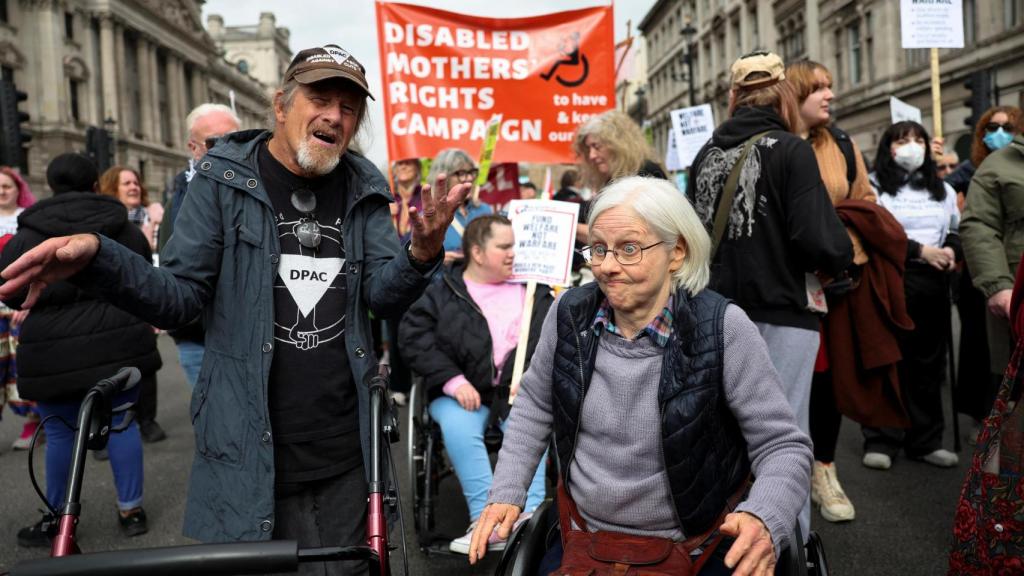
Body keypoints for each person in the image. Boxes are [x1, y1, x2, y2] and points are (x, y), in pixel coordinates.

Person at [0, 44, 467, 576]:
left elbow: (382, 297)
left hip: (347, 452)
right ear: (280, 104)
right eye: (321, 97)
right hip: (250, 447)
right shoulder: (222, 181)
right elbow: (178, 299)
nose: (335, 116)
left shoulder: (364, 189)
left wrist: (420, 254)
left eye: (349, 106)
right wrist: (100, 257)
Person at [468, 177, 812, 576]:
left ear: (676, 252)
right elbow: (534, 407)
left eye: (629, 249)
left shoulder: (723, 328)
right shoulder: (568, 315)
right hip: (584, 538)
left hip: (699, 545)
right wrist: (507, 491)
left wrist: (765, 515)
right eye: (599, 249)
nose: (608, 266)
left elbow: (783, 446)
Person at [689, 51, 852, 541]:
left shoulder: (704, 155)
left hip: (713, 316)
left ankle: (721, 541)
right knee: (783, 438)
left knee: (724, 435)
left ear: (734, 98)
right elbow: (819, 239)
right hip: (780, 314)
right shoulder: (791, 150)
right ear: (782, 94)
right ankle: (784, 546)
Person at [5, 153, 160, 547]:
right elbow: (145, 278)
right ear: (96, 185)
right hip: (118, 340)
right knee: (122, 423)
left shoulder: (29, 232)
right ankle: (131, 510)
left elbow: (12, 288)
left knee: (58, 433)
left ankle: (58, 519)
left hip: (51, 347)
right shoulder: (123, 228)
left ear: (50, 186)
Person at [401, 214, 549, 554]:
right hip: (461, 392)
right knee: (459, 423)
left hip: (519, 394)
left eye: (516, 245)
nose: (514, 253)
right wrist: (452, 381)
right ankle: (486, 520)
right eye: (505, 246)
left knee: (532, 425)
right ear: (479, 253)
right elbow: (413, 338)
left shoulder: (535, 293)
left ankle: (533, 518)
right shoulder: (442, 291)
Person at [786, 60, 876, 524]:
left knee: (827, 384)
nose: (830, 96)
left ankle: (824, 471)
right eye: (818, 88)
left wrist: (842, 253)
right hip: (784, 290)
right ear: (794, 94)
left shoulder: (841, 144)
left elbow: (865, 206)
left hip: (834, 288)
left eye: (830, 87)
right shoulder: (776, 147)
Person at [863, 120, 961, 470]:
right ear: (888, 147)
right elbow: (874, 234)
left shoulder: (942, 189)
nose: (912, 146)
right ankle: (882, 438)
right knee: (888, 359)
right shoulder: (875, 187)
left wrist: (949, 250)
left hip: (932, 283)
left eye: (918, 139)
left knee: (928, 364)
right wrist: (920, 251)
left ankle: (925, 440)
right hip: (890, 280)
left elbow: (954, 228)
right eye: (903, 139)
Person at [949, 106, 1022, 441]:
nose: (999, 132)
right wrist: (996, 285)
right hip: (1001, 283)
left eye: (1006, 126)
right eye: (992, 127)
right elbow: (978, 224)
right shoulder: (990, 167)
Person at [159, 104, 241, 390]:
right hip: (199, 339)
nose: (226, 149)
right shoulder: (178, 202)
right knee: (215, 427)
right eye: (214, 142)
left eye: (234, 139)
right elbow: (172, 273)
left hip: (254, 338)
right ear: (194, 148)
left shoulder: (265, 190)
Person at [97, 165, 166, 444]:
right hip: (108, 302)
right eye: (126, 183)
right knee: (108, 366)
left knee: (145, 363)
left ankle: (147, 419)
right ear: (112, 188)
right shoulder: (103, 220)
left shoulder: (152, 215)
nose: (133, 187)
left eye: (135, 182)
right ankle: (106, 428)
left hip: (142, 297)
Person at [570, 110, 666, 243]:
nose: (591, 155)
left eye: (596, 147)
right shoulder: (612, 179)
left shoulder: (645, 174)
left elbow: (624, 234)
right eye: (589, 149)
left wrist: (570, 227)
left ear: (617, 145)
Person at [0, 166, 36, 450]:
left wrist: (27, 299)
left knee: (21, 367)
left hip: (20, 306)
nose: (1, 191)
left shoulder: (28, 220)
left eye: (7, 186)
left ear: (17, 189)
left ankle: (32, 423)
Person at [430, 148, 492, 266]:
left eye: (471, 172)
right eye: (461, 173)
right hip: (445, 281)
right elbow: (417, 260)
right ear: (443, 178)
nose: (469, 178)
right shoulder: (429, 216)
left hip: (480, 281)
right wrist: (436, 260)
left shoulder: (485, 211)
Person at [945, 106, 1021, 196]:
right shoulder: (971, 168)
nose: (999, 132)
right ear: (983, 133)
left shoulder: (1021, 164)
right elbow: (939, 191)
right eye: (993, 127)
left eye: (1008, 127)